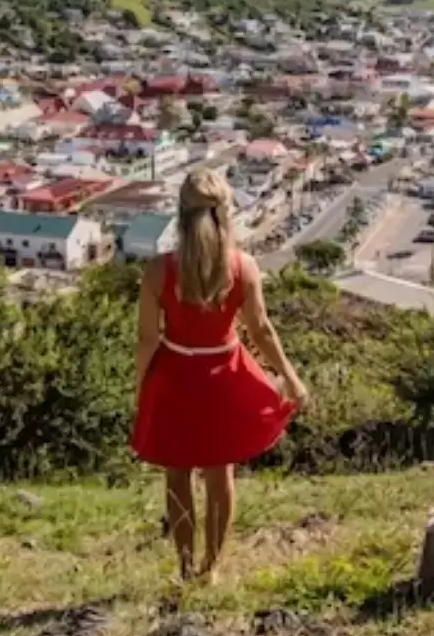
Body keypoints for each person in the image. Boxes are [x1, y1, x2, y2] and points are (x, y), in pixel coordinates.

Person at [130, 167, 309, 583]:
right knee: (219, 473)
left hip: (175, 373)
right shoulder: (242, 266)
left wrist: (142, 386)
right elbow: (261, 329)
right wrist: (290, 376)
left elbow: (146, 339)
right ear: (226, 212)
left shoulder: (159, 270)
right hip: (225, 371)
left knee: (177, 473)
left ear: (180, 212)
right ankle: (212, 567)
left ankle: (185, 565)